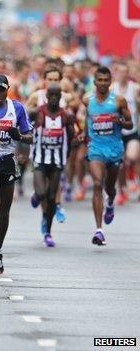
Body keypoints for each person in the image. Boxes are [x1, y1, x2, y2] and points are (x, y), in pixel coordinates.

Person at [0, 75, 33, 274]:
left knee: (4, 211)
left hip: (8, 161)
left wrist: (18, 136)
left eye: (1, 90)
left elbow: (29, 136)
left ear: (7, 89)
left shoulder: (17, 108)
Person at [83, 66, 133, 246]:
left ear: (110, 82)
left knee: (110, 187)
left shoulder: (119, 101)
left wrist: (119, 120)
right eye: (100, 80)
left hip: (114, 149)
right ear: (94, 82)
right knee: (97, 184)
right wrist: (83, 135)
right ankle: (99, 229)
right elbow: (86, 120)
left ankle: (110, 200)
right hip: (95, 148)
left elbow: (130, 124)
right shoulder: (87, 100)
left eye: (106, 80)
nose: (103, 83)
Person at [29, 84, 75, 248]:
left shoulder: (66, 116)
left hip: (57, 161)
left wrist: (68, 154)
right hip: (40, 159)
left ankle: (47, 232)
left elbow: (71, 137)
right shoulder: (37, 113)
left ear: (60, 97)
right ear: (46, 96)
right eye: (52, 95)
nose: (54, 98)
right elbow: (26, 128)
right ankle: (36, 195)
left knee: (51, 197)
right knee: (42, 193)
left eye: (57, 95)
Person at [111, 63, 140, 205]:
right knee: (120, 165)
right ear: (116, 74)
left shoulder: (134, 88)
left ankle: (132, 176)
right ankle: (121, 190)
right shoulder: (112, 89)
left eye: (125, 72)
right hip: (116, 132)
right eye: (120, 72)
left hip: (132, 131)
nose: (123, 75)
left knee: (132, 156)